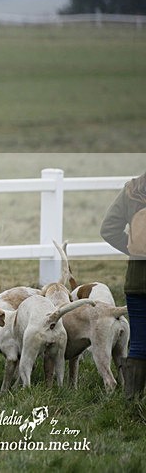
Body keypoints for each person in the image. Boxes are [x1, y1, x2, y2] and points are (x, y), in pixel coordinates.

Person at [100, 170, 146, 400]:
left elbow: (108, 230)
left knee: (138, 344)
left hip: (137, 282)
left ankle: (132, 403)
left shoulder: (132, 190)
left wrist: (133, 250)